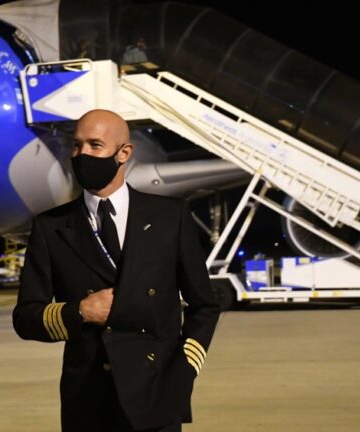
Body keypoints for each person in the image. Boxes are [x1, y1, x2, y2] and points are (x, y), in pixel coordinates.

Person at [13, 109, 220, 431]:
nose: (82, 155)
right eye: (76, 145)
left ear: (124, 153)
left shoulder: (170, 216)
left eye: (95, 145)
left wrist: (183, 371)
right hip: (88, 401)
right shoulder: (51, 227)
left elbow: (204, 305)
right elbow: (26, 318)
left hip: (157, 395)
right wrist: (78, 312)